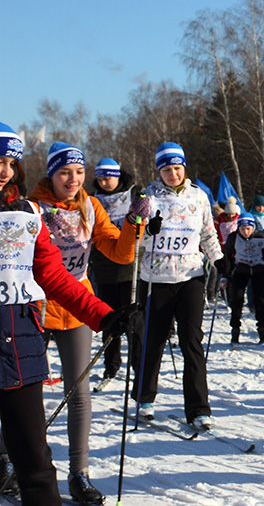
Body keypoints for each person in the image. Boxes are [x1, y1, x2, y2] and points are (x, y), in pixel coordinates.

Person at [0, 124, 133, 506]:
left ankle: (78, 472)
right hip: (33, 325)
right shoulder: (39, 206)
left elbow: (53, 274)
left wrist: (105, 316)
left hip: (18, 345)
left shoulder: (25, 214)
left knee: (36, 463)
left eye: (11, 162)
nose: (5, 171)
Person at [29, 144, 147, 505]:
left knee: (79, 393)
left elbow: (120, 252)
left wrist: (134, 222)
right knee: (24, 391)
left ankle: (79, 473)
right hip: (37, 302)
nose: (73, 179)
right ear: (51, 173)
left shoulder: (91, 206)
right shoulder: (34, 208)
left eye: (79, 173)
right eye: (65, 172)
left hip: (79, 303)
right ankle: (12, 460)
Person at [134, 142, 224, 431]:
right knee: (154, 340)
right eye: (166, 169)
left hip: (191, 276)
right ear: (158, 170)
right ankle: (144, 399)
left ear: (184, 168)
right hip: (157, 278)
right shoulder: (147, 196)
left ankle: (199, 408)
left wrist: (220, 260)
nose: (172, 174)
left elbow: (208, 233)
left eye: (177, 168)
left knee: (192, 343)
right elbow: (134, 238)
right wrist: (148, 231)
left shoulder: (199, 197)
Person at [88, 157, 143, 389]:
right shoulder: (92, 200)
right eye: (100, 177)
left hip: (130, 268)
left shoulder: (133, 193)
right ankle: (111, 366)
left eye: (108, 177)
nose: (104, 181)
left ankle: (140, 368)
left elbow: (147, 218)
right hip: (104, 268)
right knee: (109, 320)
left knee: (134, 322)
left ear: (118, 176)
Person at [219, 212, 264, 345]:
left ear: (253, 228)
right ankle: (235, 332)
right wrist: (224, 276)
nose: (246, 232)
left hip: (258, 269)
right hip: (241, 269)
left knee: (260, 300)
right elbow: (226, 257)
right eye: (242, 229)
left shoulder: (262, 236)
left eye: (248, 229)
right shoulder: (233, 237)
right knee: (237, 300)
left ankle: (262, 332)